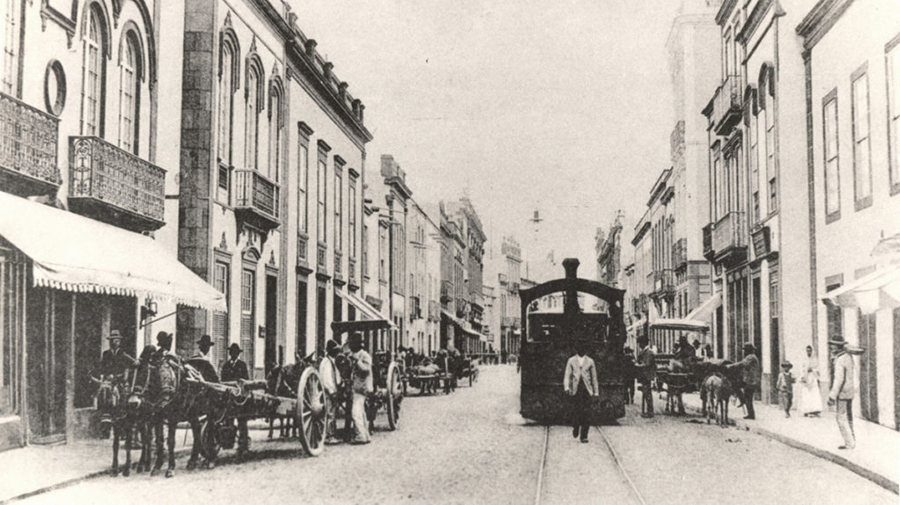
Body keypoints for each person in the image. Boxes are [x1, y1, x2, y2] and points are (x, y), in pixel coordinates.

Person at [563, 341, 599, 443]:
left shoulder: (590, 361)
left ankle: (584, 435)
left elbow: (594, 378)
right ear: (576, 349)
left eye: (583, 348)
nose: (581, 350)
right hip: (575, 391)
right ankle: (575, 426)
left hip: (587, 391)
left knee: (587, 414)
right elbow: (567, 375)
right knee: (576, 412)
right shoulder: (571, 361)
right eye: (579, 348)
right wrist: (566, 388)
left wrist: (596, 392)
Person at [220, 343, 251, 455]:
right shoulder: (226, 366)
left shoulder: (242, 365)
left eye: (234, 352)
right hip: (229, 397)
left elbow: (245, 380)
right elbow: (222, 380)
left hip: (240, 398)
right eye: (231, 352)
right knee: (228, 421)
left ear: (237, 353)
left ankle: (243, 446)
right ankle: (228, 442)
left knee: (242, 422)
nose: (232, 354)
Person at [827, 338, 856, 450]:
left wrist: (832, 395)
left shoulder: (839, 360)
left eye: (833, 345)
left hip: (842, 392)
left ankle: (849, 443)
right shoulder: (848, 357)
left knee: (841, 418)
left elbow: (838, 380)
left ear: (837, 346)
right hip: (849, 391)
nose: (831, 347)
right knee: (849, 417)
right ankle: (852, 440)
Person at [349, 332, 373, 444]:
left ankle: (360, 436)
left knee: (355, 412)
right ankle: (366, 435)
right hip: (357, 387)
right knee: (361, 412)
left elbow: (366, 369)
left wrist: (357, 361)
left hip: (362, 387)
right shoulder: (356, 355)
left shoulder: (365, 355)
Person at [728, 343, 761, 419]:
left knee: (746, 396)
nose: (744, 351)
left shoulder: (751, 357)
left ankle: (743, 402)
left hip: (751, 381)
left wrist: (731, 366)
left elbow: (742, 364)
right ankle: (750, 412)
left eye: (746, 350)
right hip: (749, 380)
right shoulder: (751, 357)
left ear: (749, 350)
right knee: (747, 397)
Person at [319, 340, 343, 445]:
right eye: (335, 351)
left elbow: (336, 375)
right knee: (329, 413)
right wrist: (332, 391)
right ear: (331, 351)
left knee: (332, 413)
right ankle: (329, 436)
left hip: (332, 390)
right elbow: (326, 379)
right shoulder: (326, 362)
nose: (337, 353)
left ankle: (330, 434)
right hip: (328, 392)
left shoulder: (331, 361)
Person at [635, 335, 656, 418]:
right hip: (644, 375)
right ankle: (648, 411)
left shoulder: (649, 352)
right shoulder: (645, 352)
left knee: (647, 394)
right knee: (646, 393)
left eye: (640, 343)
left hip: (647, 375)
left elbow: (647, 364)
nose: (639, 345)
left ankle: (650, 412)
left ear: (643, 343)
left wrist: (637, 365)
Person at [800, 345, 823, 417]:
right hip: (806, 378)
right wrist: (802, 376)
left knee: (814, 394)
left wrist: (813, 370)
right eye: (807, 351)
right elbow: (801, 368)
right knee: (806, 394)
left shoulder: (815, 359)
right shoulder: (803, 359)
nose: (808, 352)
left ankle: (815, 410)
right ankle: (806, 410)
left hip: (813, 378)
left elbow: (817, 368)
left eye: (810, 351)